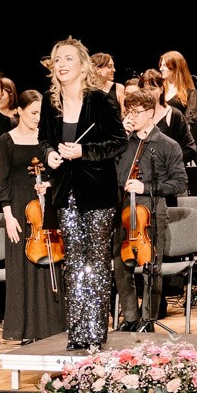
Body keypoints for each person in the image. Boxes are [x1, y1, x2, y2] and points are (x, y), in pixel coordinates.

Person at [42, 39, 126, 350]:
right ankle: (77, 333)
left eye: (68, 58)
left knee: (97, 261)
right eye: (57, 59)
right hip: (65, 193)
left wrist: (84, 151)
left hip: (98, 192)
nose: (61, 64)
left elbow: (119, 142)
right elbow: (44, 142)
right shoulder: (52, 105)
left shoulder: (101, 101)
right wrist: (50, 154)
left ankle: (95, 330)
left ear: (82, 65)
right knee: (74, 262)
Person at [0, 88, 66, 344]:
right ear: (20, 111)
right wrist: (8, 215)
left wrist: (49, 184)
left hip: (44, 207)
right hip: (18, 210)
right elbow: (2, 181)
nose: (38, 117)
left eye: (41, 113)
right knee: (20, 268)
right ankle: (22, 328)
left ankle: (51, 326)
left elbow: (59, 173)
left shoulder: (47, 139)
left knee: (49, 264)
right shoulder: (6, 140)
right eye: (33, 112)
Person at [115, 84, 190, 330]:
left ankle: (148, 318)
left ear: (150, 112)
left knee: (151, 267)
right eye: (129, 111)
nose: (132, 116)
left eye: (137, 112)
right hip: (123, 212)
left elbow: (179, 183)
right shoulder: (122, 143)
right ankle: (130, 316)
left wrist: (145, 188)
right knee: (121, 264)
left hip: (153, 213)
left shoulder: (167, 145)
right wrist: (119, 140)